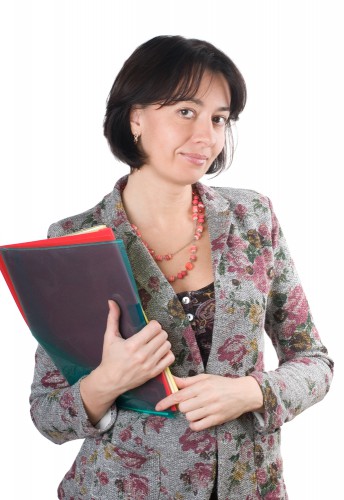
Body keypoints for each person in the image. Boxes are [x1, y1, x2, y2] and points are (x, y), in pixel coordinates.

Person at [30, 35, 333, 499]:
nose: (207, 136)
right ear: (135, 117)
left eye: (219, 119)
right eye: (186, 112)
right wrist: (110, 380)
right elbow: (48, 415)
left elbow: (314, 360)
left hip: (249, 487)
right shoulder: (75, 241)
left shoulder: (253, 218)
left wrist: (252, 393)